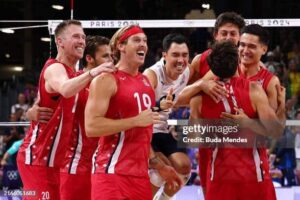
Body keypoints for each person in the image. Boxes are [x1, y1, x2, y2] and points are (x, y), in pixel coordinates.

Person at [17, 20, 114, 200]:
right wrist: (94, 71)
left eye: (83, 37)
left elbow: (42, 101)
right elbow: (65, 88)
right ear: (60, 41)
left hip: (56, 162)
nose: (82, 41)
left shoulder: (74, 75)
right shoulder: (55, 67)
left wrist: (31, 111)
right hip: (38, 158)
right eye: (76, 36)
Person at [85, 25, 182, 200]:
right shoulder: (106, 79)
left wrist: (158, 165)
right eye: (137, 40)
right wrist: (135, 120)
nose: (143, 45)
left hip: (140, 176)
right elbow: (91, 126)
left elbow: (142, 133)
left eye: (145, 41)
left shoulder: (145, 82)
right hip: (111, 172)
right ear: (121, 46)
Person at [189, 40, 284, 200]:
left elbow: (193, 138)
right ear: (237, 62)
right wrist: (248, 123)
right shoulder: (254, 90)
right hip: (254, 177)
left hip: (219, 177)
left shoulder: (199, 99)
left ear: (211, 67)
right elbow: (276, 130)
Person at [176, 12, 246, 194]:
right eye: (224, 33)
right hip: (209, 137)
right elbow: (176, 99)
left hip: (241, 138)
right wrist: (202, 84)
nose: (228, 38)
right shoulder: (200, 60)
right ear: (215, 35)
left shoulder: (249, 62)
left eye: (233, 34)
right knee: (210, 191)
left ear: (240, 37)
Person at [143, 33, 191, 200]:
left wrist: (204, 84)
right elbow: (139, 111)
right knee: (160, 172)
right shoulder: (152, 75)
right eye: (175, 55)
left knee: (184, 169)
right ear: (164, 55)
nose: (181, 60)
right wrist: (159, 106)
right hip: (145, 130)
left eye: (184, 55)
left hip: (164, 129)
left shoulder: (186, 72)